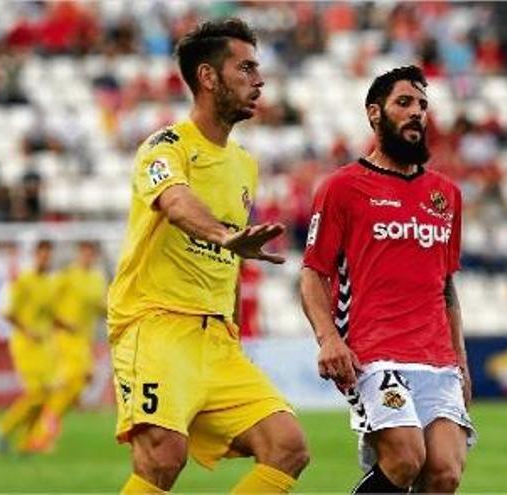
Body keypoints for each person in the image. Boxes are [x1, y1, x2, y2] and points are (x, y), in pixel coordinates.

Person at [107, 18, 309, 494]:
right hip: (154, 324)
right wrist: (224, 235)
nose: (258, 80)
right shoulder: (165, 147)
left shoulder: (244, 164)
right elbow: (176, 204)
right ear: (208, 77)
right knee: (162, 458)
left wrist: (233, 322)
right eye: (246, 68)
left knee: (288, 446)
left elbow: (229, 264)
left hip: (215, 337)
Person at [300, 65, 476, 494]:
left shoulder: (445, 195)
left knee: (445, 475)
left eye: (422, 105)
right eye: (404, 103)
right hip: (374, 355)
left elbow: (445, 287)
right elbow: (312, 273)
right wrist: (328, 338)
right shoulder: (342, 187)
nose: (417, 112)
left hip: (437, 358)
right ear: (374, 114)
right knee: (404, 457)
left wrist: (461, 361)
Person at [27, 241, 107, 452]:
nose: (88, 257)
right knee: (78, 378)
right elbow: (46, 303)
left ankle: (44, 429)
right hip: (64, 338)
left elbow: (101, 307)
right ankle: (42, 431)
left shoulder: (97, 279)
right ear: (79, 254)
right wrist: (60, 322)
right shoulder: (66, 276)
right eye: (85, 253)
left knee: (73, 386)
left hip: (83, 340)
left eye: (91, 254)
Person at [0, 240, 58, 454]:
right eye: (42, 254)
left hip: (43, 345)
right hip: (24, 343)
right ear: (35, 255)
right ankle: (4, 428)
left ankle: (26, 442)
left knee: (47, 395)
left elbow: (50, 314)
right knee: (37, 392)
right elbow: (6, 311)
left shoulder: (49, 283)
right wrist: (27, 330)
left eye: (48, 255)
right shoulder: (23, 280)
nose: (46, 259)